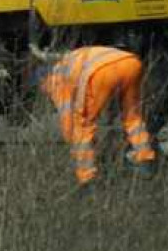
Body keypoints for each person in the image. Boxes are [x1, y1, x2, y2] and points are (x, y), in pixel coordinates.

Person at [36, 45, 158, 185]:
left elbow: (68, 118)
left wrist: (74, 143)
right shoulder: (68, 62)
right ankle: (145, 160)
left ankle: (86, 177)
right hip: (131, 63)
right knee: (132, 116)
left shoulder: (54, 80)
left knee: (83, 126)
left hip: (102, 72)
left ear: (42, 83)